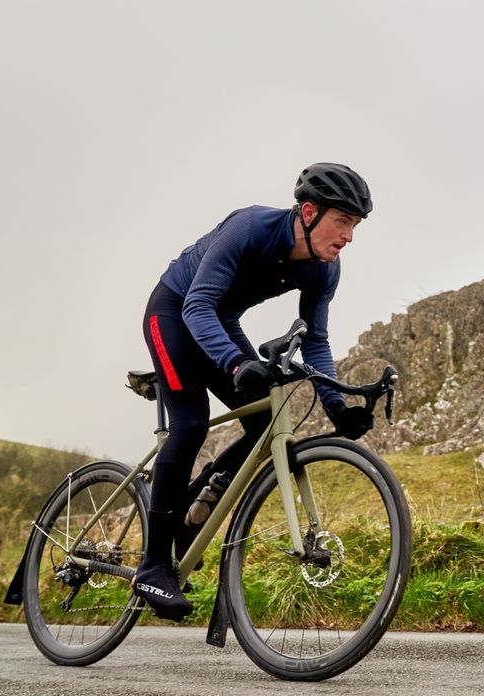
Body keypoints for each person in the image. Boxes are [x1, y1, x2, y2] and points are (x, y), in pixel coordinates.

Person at [132, 163, 376, 620]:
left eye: (355, 225)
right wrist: (236, 363)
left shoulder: (325, 270)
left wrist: (337, 405)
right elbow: (197, 304)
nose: (348, 236)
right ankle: (151, 566)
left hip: (217, 322)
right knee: (189, 422)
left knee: (263, 427)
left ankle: (191, 512)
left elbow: (316, 341)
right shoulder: (250, 227)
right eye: (342, 221)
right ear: (308, 211)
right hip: (172, 309)